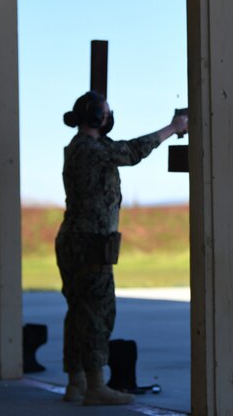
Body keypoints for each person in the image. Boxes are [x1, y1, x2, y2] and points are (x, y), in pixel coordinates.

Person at [55, 91, 188, 406]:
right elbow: (132, 151)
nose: (109, 116)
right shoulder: (91, 149)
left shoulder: (78, 148)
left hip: (75, 239)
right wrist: (172, 128)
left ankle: (76, 382)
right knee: (98, 312)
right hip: (92, 241)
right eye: (106, 112)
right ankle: (95, 386)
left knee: (77, 311)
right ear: (97, 117)